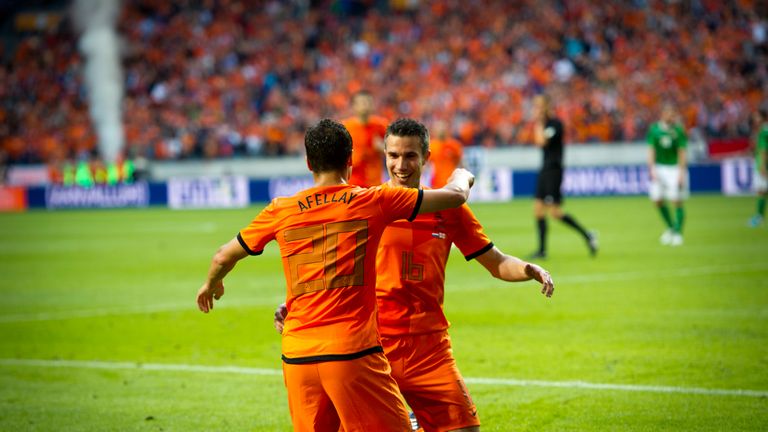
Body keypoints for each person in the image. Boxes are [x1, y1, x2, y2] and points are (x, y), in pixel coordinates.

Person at [274, 118, 555, 432]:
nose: (401, 164)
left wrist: (527, 269)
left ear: (426, 158)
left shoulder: (448, 210)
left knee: (465, 429)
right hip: (370, 347)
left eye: (409, 156)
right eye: (393, 155)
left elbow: (496, 262)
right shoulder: (365, 206)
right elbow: (323, 267)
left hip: (429, 347)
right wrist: (295, 306)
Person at [195, 118, 476, 431]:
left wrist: (211, 283)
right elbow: (454, 196)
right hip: (351, 351)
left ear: (307, 162)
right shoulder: (371, 201)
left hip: (297, 355)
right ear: (351, 160)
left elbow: (223, 255)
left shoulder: (281, 209)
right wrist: (462, 175)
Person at [529, 94, 597, 259]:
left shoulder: (555, 125)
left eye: (538, 106)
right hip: (545, 169)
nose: (536, 110)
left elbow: (541, 142)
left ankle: (588, 235)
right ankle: (542, 251)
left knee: (555, 212)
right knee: (538, 210)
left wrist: (538, 123)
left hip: (554, 170)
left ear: (546, 107)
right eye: (535, 106)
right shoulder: (544, 125)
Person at [647, 103, 688, 245]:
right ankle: (671, 228)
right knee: (657, 200)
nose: (671, 117)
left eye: (673, 114)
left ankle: (677, 233)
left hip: (674, 168)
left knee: (676, 200)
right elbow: (651, 149)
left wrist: (682, 172)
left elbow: (682, 152)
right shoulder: (654, 130)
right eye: (669, 114)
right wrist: (651, 169)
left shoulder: (678, 131)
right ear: (663, 115)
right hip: (659, 168)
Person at [343, 90, 388, 187]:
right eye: (362, 102)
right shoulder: (346, 127)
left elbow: (394, 150)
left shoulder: (381, 125)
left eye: (368, 102)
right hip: (353, 182)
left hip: (374, 182)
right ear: (354, 106)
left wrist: (383, 147)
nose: (365, 105)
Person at [428, 120, 463, 188]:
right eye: (439, 129)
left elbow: (460, 163)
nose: (441, 131)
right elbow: (426, 164)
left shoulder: (454, 145)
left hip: (452, 182)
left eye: (442, 128)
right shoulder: (432, 146)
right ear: (435, 131)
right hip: (436, 183)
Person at [748, 109, 768, 227]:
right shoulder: (761, 131)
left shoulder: (764, 131)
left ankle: (759, 217)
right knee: (762, 191)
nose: (755, 120)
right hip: (761, 163)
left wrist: (762, 165)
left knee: (761, 191)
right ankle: (759, 216)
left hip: (762, 165)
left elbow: (764, 150)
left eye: (757, 117)